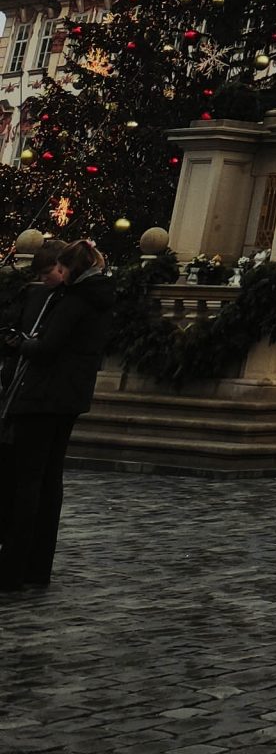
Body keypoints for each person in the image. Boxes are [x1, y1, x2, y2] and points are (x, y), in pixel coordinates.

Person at [0, 239, 116, 592]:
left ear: (71, 269)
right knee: (48, 480)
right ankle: (36, 567)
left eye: (61, 270)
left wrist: (18, 343)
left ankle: (14, 568)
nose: (58, 276)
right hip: (67, 399)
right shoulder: (97, 298)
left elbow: (46, 347)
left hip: (44, 397)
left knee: (29, 481)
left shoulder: (75, 301)